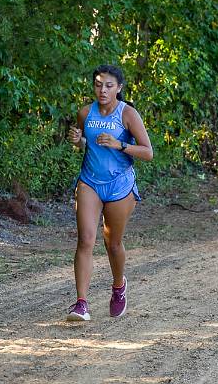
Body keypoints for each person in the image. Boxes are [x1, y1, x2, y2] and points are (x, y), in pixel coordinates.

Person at [66, 64, 153, 321]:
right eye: (98, 84)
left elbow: (148, 152)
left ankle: (118, 288)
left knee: (112, 243)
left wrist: (120, 144)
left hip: (120, 185)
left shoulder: (128, 114)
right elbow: (84, 143)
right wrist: (77, 141)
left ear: (119, 88)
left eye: (108, 85)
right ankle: (81, 303)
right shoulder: (85, 112)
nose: (102, 90)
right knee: (85, 240)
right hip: (90, 182)